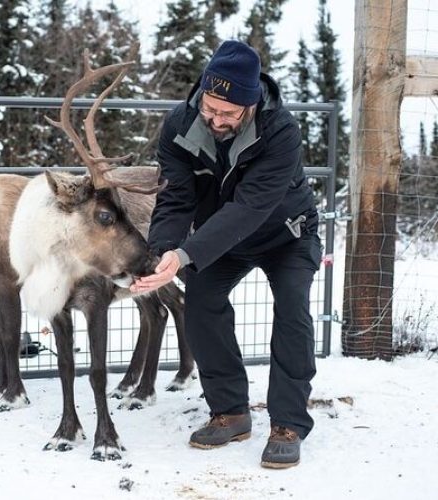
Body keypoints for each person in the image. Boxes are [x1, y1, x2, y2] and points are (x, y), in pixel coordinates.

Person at [130, 40, 322, 469]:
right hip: (221, 240)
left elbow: (250, 207)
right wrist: (163, 251)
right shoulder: (180, 124)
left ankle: (288, 423)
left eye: (227, 114)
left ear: (250, 105)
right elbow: (176, 198)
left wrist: (187, 254)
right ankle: (231, 411)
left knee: (292, 309)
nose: (215, 120)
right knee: (200, 299)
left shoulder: (281, 131)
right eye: (209, 108)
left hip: (287, 235)